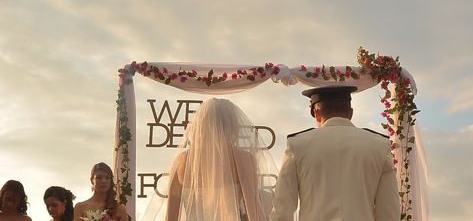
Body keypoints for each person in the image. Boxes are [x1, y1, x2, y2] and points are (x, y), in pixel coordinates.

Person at [269, 85, 400, 221]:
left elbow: (282, 210)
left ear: (317, 113)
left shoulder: (297, 144)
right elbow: (389, 211)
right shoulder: (378, 145)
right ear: (350, 113)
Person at [141, 97, 275, 221]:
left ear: (200, 127)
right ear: (232, 127)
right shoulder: (243, 159)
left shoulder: (181, 162)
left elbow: (170, 217)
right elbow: (253, 210)